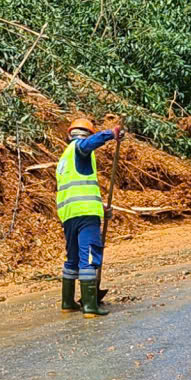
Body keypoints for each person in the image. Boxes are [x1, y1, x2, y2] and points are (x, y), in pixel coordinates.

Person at [56, 115, 124, 316]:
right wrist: (110, 134)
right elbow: (86, 145)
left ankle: (67, 303)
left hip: (69, 215)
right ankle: (90, 306)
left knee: (73, 258)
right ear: (87, 134)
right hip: (86, 215)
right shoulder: (79, 148)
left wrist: (101, 207)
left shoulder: (64, 159)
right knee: (89, 257)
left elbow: (76, 190)